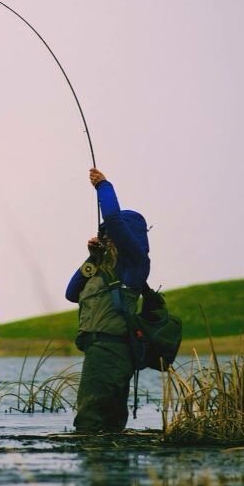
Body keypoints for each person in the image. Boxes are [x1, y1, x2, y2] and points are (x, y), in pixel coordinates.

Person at [65, 169, 150, 433]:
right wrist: (92, 258)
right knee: (110, 423)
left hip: (110, 351)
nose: (106, 238)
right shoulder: (104, 266)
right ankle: (114, 471)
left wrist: (103, 185)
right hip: (100, 351)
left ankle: (96, 467)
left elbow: (113, 218)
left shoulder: (135, 263)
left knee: (89, 421)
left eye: (110, 235)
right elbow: (71, 293)